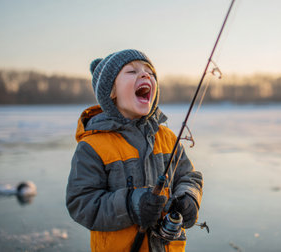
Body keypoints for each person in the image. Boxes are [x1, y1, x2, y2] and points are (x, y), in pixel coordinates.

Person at [66, 49, 203, 252]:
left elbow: (188, 176)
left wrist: (189, 197)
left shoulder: (167, 138)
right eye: (131, 71)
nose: (145, 74)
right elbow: (81, 203)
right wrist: (131, 205)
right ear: (110, 92)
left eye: (150, 72)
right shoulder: (93, 146)